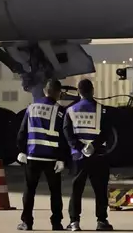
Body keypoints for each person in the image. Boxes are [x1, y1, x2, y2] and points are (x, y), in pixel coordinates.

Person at [16, 79, 69, 231]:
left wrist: (21, 150)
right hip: (52, 158)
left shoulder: (31, 108)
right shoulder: (60, 111)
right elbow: (63, 137)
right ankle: (56, 223)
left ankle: (27, 223)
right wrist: (62, 158)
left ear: (45, 91)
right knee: (55, 192)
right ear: (58, 93)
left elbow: (22, 132)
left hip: (33, 156)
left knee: (29, 191)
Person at [63, 79, 114, 232]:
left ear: (79, 92)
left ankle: (74, 222)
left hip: (79, 157)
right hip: (98, 155)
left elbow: (67, 132)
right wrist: (93, 146)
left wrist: (80, 148)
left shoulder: (70, 111)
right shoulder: (102, 110)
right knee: (100, 189)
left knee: (76, 189)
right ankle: (101, 221)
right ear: (92, 91)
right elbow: (107, 133)